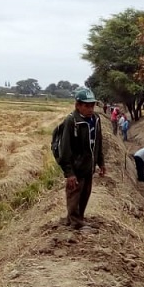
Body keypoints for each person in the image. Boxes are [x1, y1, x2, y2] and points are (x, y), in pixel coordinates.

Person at [57, 88, 105, 230]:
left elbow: (98, 142)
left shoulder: (96, 119)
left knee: (85, 194)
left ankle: (79, 219)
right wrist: (69, 173)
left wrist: (100, 162)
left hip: (88, 166)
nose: (90, 109)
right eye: (86, 105)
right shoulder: (72, 121)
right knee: (74, 195)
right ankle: (74, 223)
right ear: (78, 105)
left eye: (92, 105)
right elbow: (65, 149)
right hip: (76, 168)